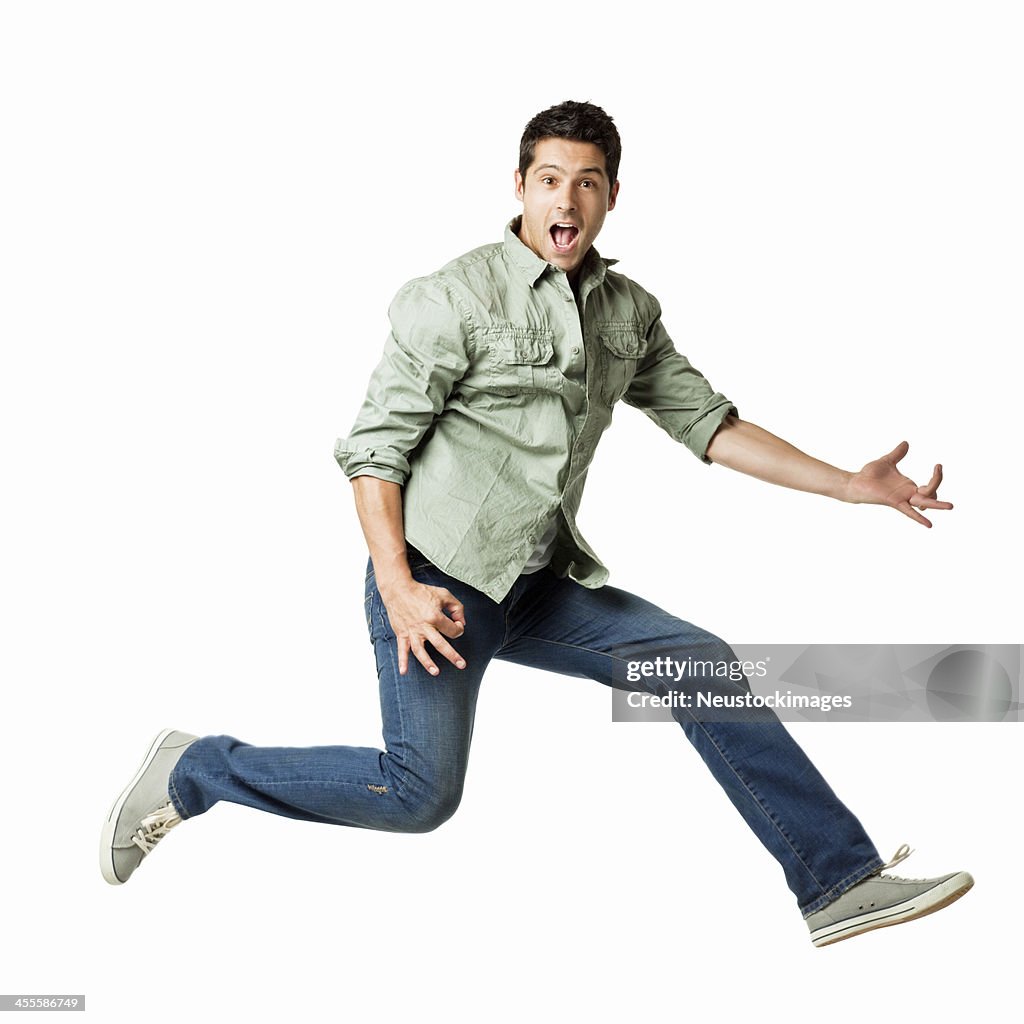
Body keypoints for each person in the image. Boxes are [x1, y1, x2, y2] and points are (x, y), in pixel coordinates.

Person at [100, 100, 973, 947]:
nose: (567, 199)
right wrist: (399, 587)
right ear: (518, 185)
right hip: (436, 585)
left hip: (538, 582)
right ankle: (196, 770)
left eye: (587, 182)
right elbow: (374, 452)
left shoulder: (626, 312)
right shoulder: (454, 296)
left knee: (696, 661)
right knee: (418, 795)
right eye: (549, 178)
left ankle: (838, 885)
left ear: (612, 196)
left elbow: (710, 425)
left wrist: (848, 487)